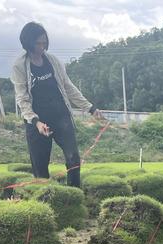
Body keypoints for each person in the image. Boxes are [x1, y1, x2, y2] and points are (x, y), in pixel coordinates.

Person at [11, 22, 102, 188]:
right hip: (37, 121)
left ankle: (74, 195)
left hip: (61, 117)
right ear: (28, 43)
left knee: (73, 158)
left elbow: (68, 87)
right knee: (40, 166)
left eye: (44, 42)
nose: (42, 47)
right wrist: (36, 121)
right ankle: (44, 202)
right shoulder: (20, 66)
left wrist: (90, 108)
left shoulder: (52, 61)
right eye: (38, 43)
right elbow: (22, 99)